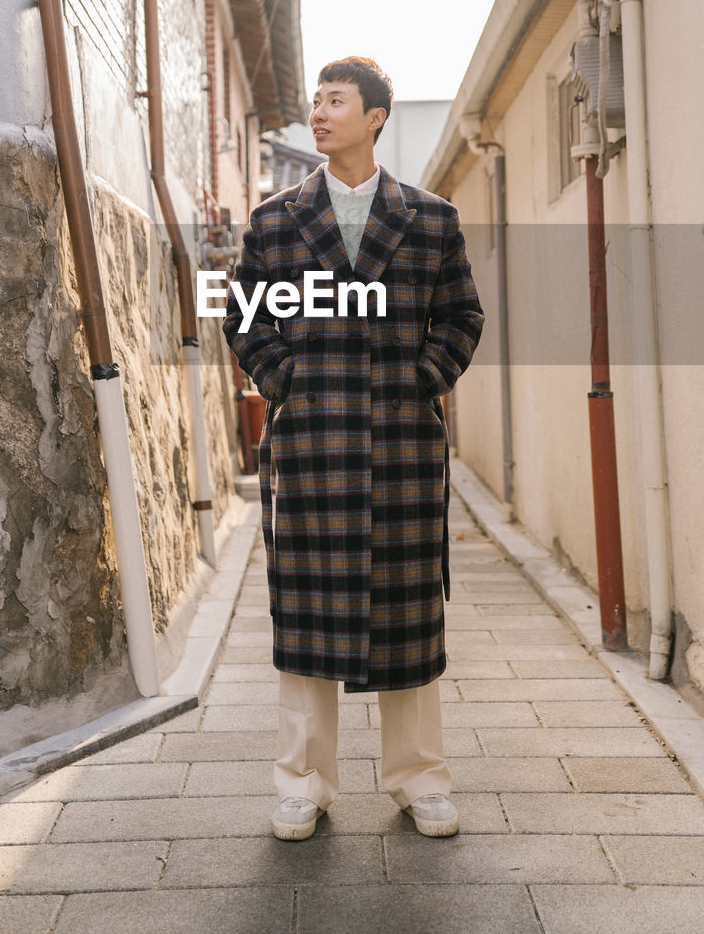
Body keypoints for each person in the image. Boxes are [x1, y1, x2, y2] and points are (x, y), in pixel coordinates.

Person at [222, 56, 484, 841]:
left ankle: (420, 779)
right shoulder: (272, 221)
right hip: (310, 445)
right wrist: (286, 382)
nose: (319, 113)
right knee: (305, 621)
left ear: (375, 116)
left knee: (409, 618)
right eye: (316, 100)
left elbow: (461, 318)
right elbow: (245, 321)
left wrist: (420, 380)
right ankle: (302, 785)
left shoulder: (430, 218)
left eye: (336, 101)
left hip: (401, 445)